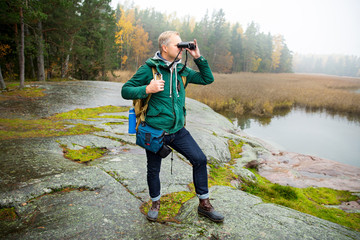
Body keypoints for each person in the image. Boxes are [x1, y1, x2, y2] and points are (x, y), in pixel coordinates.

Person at [121, 31, 224, 223]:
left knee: (200, 159)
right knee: (153, 169)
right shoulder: (149, 69)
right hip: (155, 132)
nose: (181, 49)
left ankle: (204, 204)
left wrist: (198, 57)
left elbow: (207, 79)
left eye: (182, 45)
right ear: (164, 48)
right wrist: (147, 89)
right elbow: (125, 90)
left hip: (178, 131)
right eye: (178, 45)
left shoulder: (181, 70)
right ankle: (155, 203)